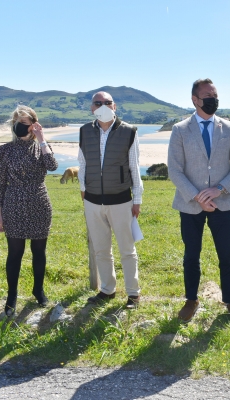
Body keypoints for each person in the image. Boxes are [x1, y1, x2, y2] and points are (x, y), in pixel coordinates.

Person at [168, 78, 230, 324]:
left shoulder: (229, 128)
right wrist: (198, 196)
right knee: (191, 255)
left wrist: (219, 189)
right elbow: (175, 170)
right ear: (195, 100)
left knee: (227, 255)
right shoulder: (180, 130)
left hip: (222, 205)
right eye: (208, 96)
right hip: (190, 206)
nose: (214, 100)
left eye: (215, 95)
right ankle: (191, 300)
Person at [78, 91, 143, 309]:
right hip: (93, 201)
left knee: (127, 248)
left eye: (107, 102)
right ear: (92, 108)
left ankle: (133, 293)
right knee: (101, 249)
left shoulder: (129, 132)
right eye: (98, 103)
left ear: (114, 106)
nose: (103, 106)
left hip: (121, 200)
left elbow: (134, 167)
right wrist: (83, 189)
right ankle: (107, 289)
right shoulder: (84, 131)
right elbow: (83, 163)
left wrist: (137, 199)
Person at [0, 105, 58, 317]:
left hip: (39, 202)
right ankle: (11, 296)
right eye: (16, 123)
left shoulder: (42, 147)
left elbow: (53, 165)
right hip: (13, 204)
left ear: (33, 125)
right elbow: (0, 184)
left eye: (24, 123)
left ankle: (38, 290)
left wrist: (42, 139)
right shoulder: (3, 151)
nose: (19, 127)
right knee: (15, 253)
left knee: (39, 251)